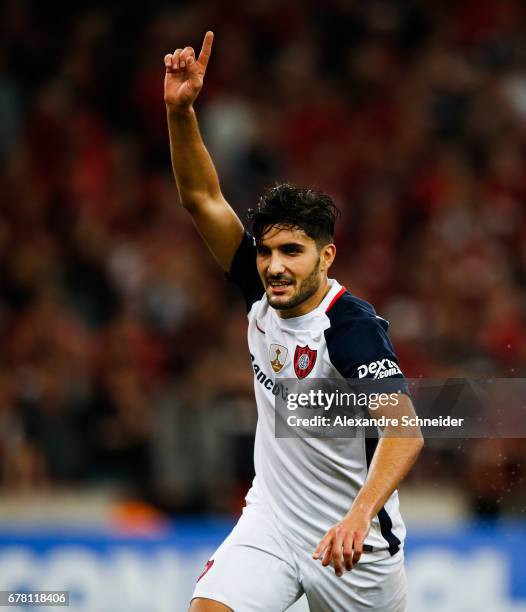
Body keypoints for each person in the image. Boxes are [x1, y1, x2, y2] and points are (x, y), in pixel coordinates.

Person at [164, 32, 424, 612]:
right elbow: (202, 198)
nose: (274, 268)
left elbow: (405, 432)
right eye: (267, 251)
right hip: (272, 526)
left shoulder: (352, 328)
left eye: (293, 253)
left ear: (326, 256)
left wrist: (357, 518)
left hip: (354, 546)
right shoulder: (259, 289)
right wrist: (179, 111)